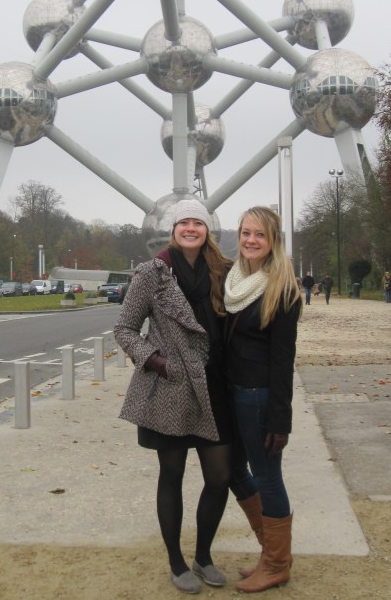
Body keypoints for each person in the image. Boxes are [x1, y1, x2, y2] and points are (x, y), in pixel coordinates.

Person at [114, 199, 233, 594]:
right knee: (173, 474)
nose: (190, 228)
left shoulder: (223, 271)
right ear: (173, 228)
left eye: (197, 223)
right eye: (184, 222)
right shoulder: (152, 274)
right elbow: (125, 329)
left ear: (207, 229)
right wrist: (158, 362)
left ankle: (203, 555)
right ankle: (176, 561)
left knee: (219, 476)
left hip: (215, 386)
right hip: (172, 386)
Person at [223, 206, 301, 593]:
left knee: (268, 478)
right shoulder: (235, 281)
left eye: (259, 235)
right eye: (245, 232)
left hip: (259, 398)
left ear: (273, 242)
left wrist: (279, 419)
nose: (250, 240)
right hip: (234, 394)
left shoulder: (282, 289)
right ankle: (269, 553)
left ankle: (276, 564)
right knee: (234, 471)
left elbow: (283, 361)